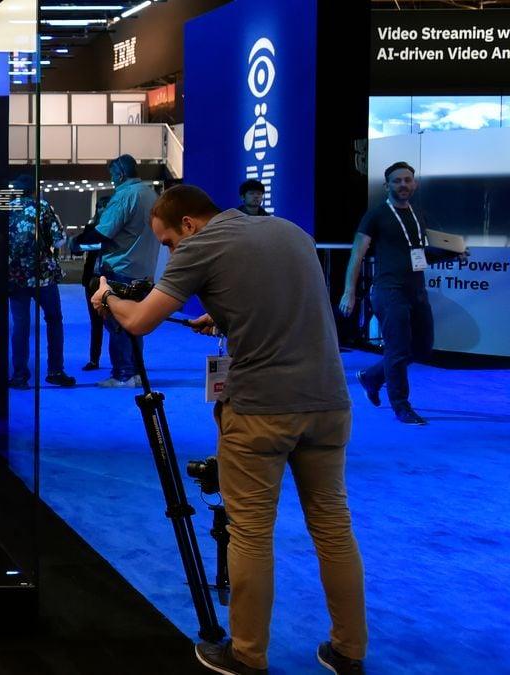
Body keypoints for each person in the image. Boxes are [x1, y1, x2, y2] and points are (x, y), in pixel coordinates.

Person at [91, 185, 366, 675]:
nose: (173, 253)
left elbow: (137, 322)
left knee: (251, 534)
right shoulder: (291, 232)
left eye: (170, 242)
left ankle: (246, 655)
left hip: (261, 411)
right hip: (329, 403)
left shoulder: (200, 245)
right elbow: (285, 300)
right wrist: (220, 314)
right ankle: (349, 650)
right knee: (333, 527)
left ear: (190, 225)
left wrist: (108, 296)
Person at [339, 161, 451, 426]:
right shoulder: (376, 215)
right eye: (397, 180)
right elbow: (357, 253)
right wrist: (348, 291)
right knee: (398, 348)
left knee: (422, 348)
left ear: (415, 184)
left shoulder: (418, 214)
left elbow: (419, 256)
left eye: (407, 180)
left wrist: (452, 253)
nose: (403, 184)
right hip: (389, 290)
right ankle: (401, 406)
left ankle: (372, 377)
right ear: (387, 185)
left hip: (416, 289)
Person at [94, 154, 160, 387]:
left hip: (120, 268)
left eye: (112, 175)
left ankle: (122, 373)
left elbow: (103, 232)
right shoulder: (151, 194)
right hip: (143, 269)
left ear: (120, 174)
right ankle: (135, 372)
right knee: (136, 322)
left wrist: (79, 242)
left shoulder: (124, 196)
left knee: (118, 322)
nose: (112, 180)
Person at [7, 174, 76, 389]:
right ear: (34, 190)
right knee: (54, 320)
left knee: (20, 325)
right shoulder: (42, 206)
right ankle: (55, 371)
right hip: (44, 276)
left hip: (15, 276)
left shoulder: (6, 209)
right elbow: (59, 239)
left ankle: (19, 375)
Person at [77, 195, 114, 371]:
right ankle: (94, 360)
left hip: (112, 279)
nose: (102, 210)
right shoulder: (91, 228)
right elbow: (77, 249)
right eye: (100, 207)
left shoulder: (116, 229)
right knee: (95, 322)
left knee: (118, 323)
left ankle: (127, 361)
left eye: (105, 207)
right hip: (91, 280)